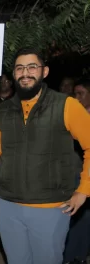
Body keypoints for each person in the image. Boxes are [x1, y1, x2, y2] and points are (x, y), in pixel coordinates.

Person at [0, 47, 90, 264]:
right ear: (14, 74)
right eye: (19, 68)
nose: (25, 73)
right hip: (8, 206)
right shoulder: (5, 110)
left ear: (44, 71)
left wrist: (84, 190)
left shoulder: (66, 105)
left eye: (32, 67)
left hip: (51, 207)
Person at [63, 78, 90, 264]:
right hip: (71, 175)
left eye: (81, 94)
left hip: (85, 178)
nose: (77, 98)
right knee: (74, 219)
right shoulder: (72, 116)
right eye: (75, 94)